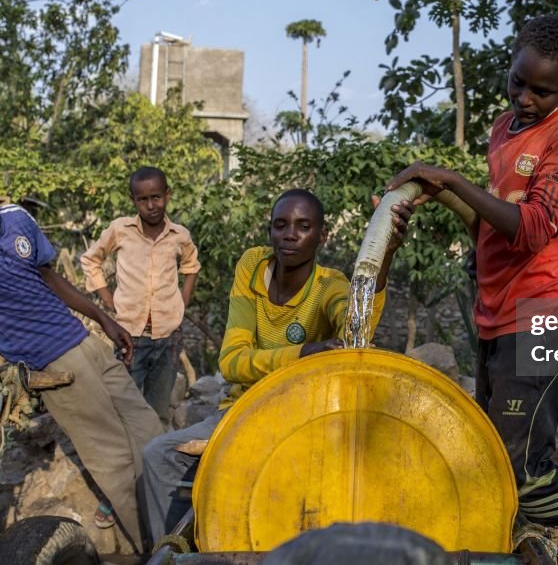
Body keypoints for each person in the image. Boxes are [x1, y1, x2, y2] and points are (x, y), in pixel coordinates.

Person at [385, 16, 558, 564]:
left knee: (523, 472)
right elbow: (490, 225)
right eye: (517, 82)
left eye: (542, 90)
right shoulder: (503, 128)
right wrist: (432, 196)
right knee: (492, 458)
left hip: (539, 315)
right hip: (495, 315)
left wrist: (454, 181)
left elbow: (531, 226)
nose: (525, 98)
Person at [0, 139, 163, 553]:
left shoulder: (18, 218)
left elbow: (50, 279)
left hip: (88, 345)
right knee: (114, 461)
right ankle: (154, 551)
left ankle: (182, 535)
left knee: (152, 439)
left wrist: (104, 320)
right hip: (56, 365)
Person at [140, 188, 411, 544]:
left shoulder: (330, 285)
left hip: (303, 416)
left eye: (303, 226)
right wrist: (304, 353)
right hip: (243, 409)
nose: (290, 235)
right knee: (157, 455)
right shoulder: (252, 266)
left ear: (322, 236)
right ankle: (177, 548)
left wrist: (385, 255)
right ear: (270, 231)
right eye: (280, 225)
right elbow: (232, 362)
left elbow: (355, 330)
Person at [81, 166, 200, 428]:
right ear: (133, 200)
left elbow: (191, 265)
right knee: (125, 402)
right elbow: (91, 260)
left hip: (168, 334)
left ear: (167, 195)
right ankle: (127, 459)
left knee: (158, 406)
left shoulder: (179, 235)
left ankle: (151, 458)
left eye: (156, 197)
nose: (151, 205)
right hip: (129, 334)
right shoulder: (120, 230)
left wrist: (184, 299)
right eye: (142, 199)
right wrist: (106, 297)